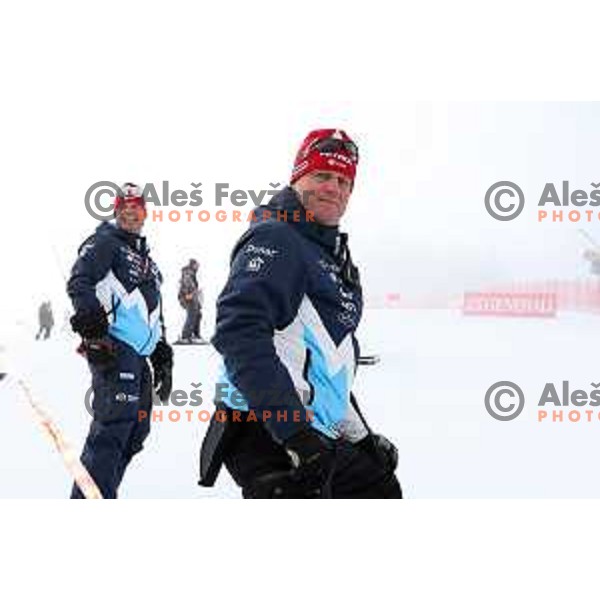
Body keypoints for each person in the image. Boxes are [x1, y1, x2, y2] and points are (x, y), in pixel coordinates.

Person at [200, 129, 402, 498]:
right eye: (322, 175)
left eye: (343, 181)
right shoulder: (277, 238)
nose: (333, 188)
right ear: (297, 178)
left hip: (314, 427)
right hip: (267, 430)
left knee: (380, 488)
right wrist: (294, 433)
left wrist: (362, 439)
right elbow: (239, 333)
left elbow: (330, 364)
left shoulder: (328, 255)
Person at [67, 183, 173, 499]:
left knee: (136, 432)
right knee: (113, 428)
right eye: (124, 205)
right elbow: (80, 281)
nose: (130, 210)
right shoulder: (105, 243)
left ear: (145, 212)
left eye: (137, 205)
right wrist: (94, 330)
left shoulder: (148, 261)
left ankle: (101, 493)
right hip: (115, 349)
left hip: (140, 356)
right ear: (116, 211)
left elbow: (155, 311)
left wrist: (162, 355)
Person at [177, 259, 204, 343]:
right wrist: (188, 294)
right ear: (193, 265)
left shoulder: (192, 273)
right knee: (192, 314)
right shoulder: (188, 273)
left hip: (193, 296)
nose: (198, 267)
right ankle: (185, 336)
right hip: (188, 297)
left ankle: (196, 335)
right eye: (197, 265)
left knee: (198, 314)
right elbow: (186, 284)